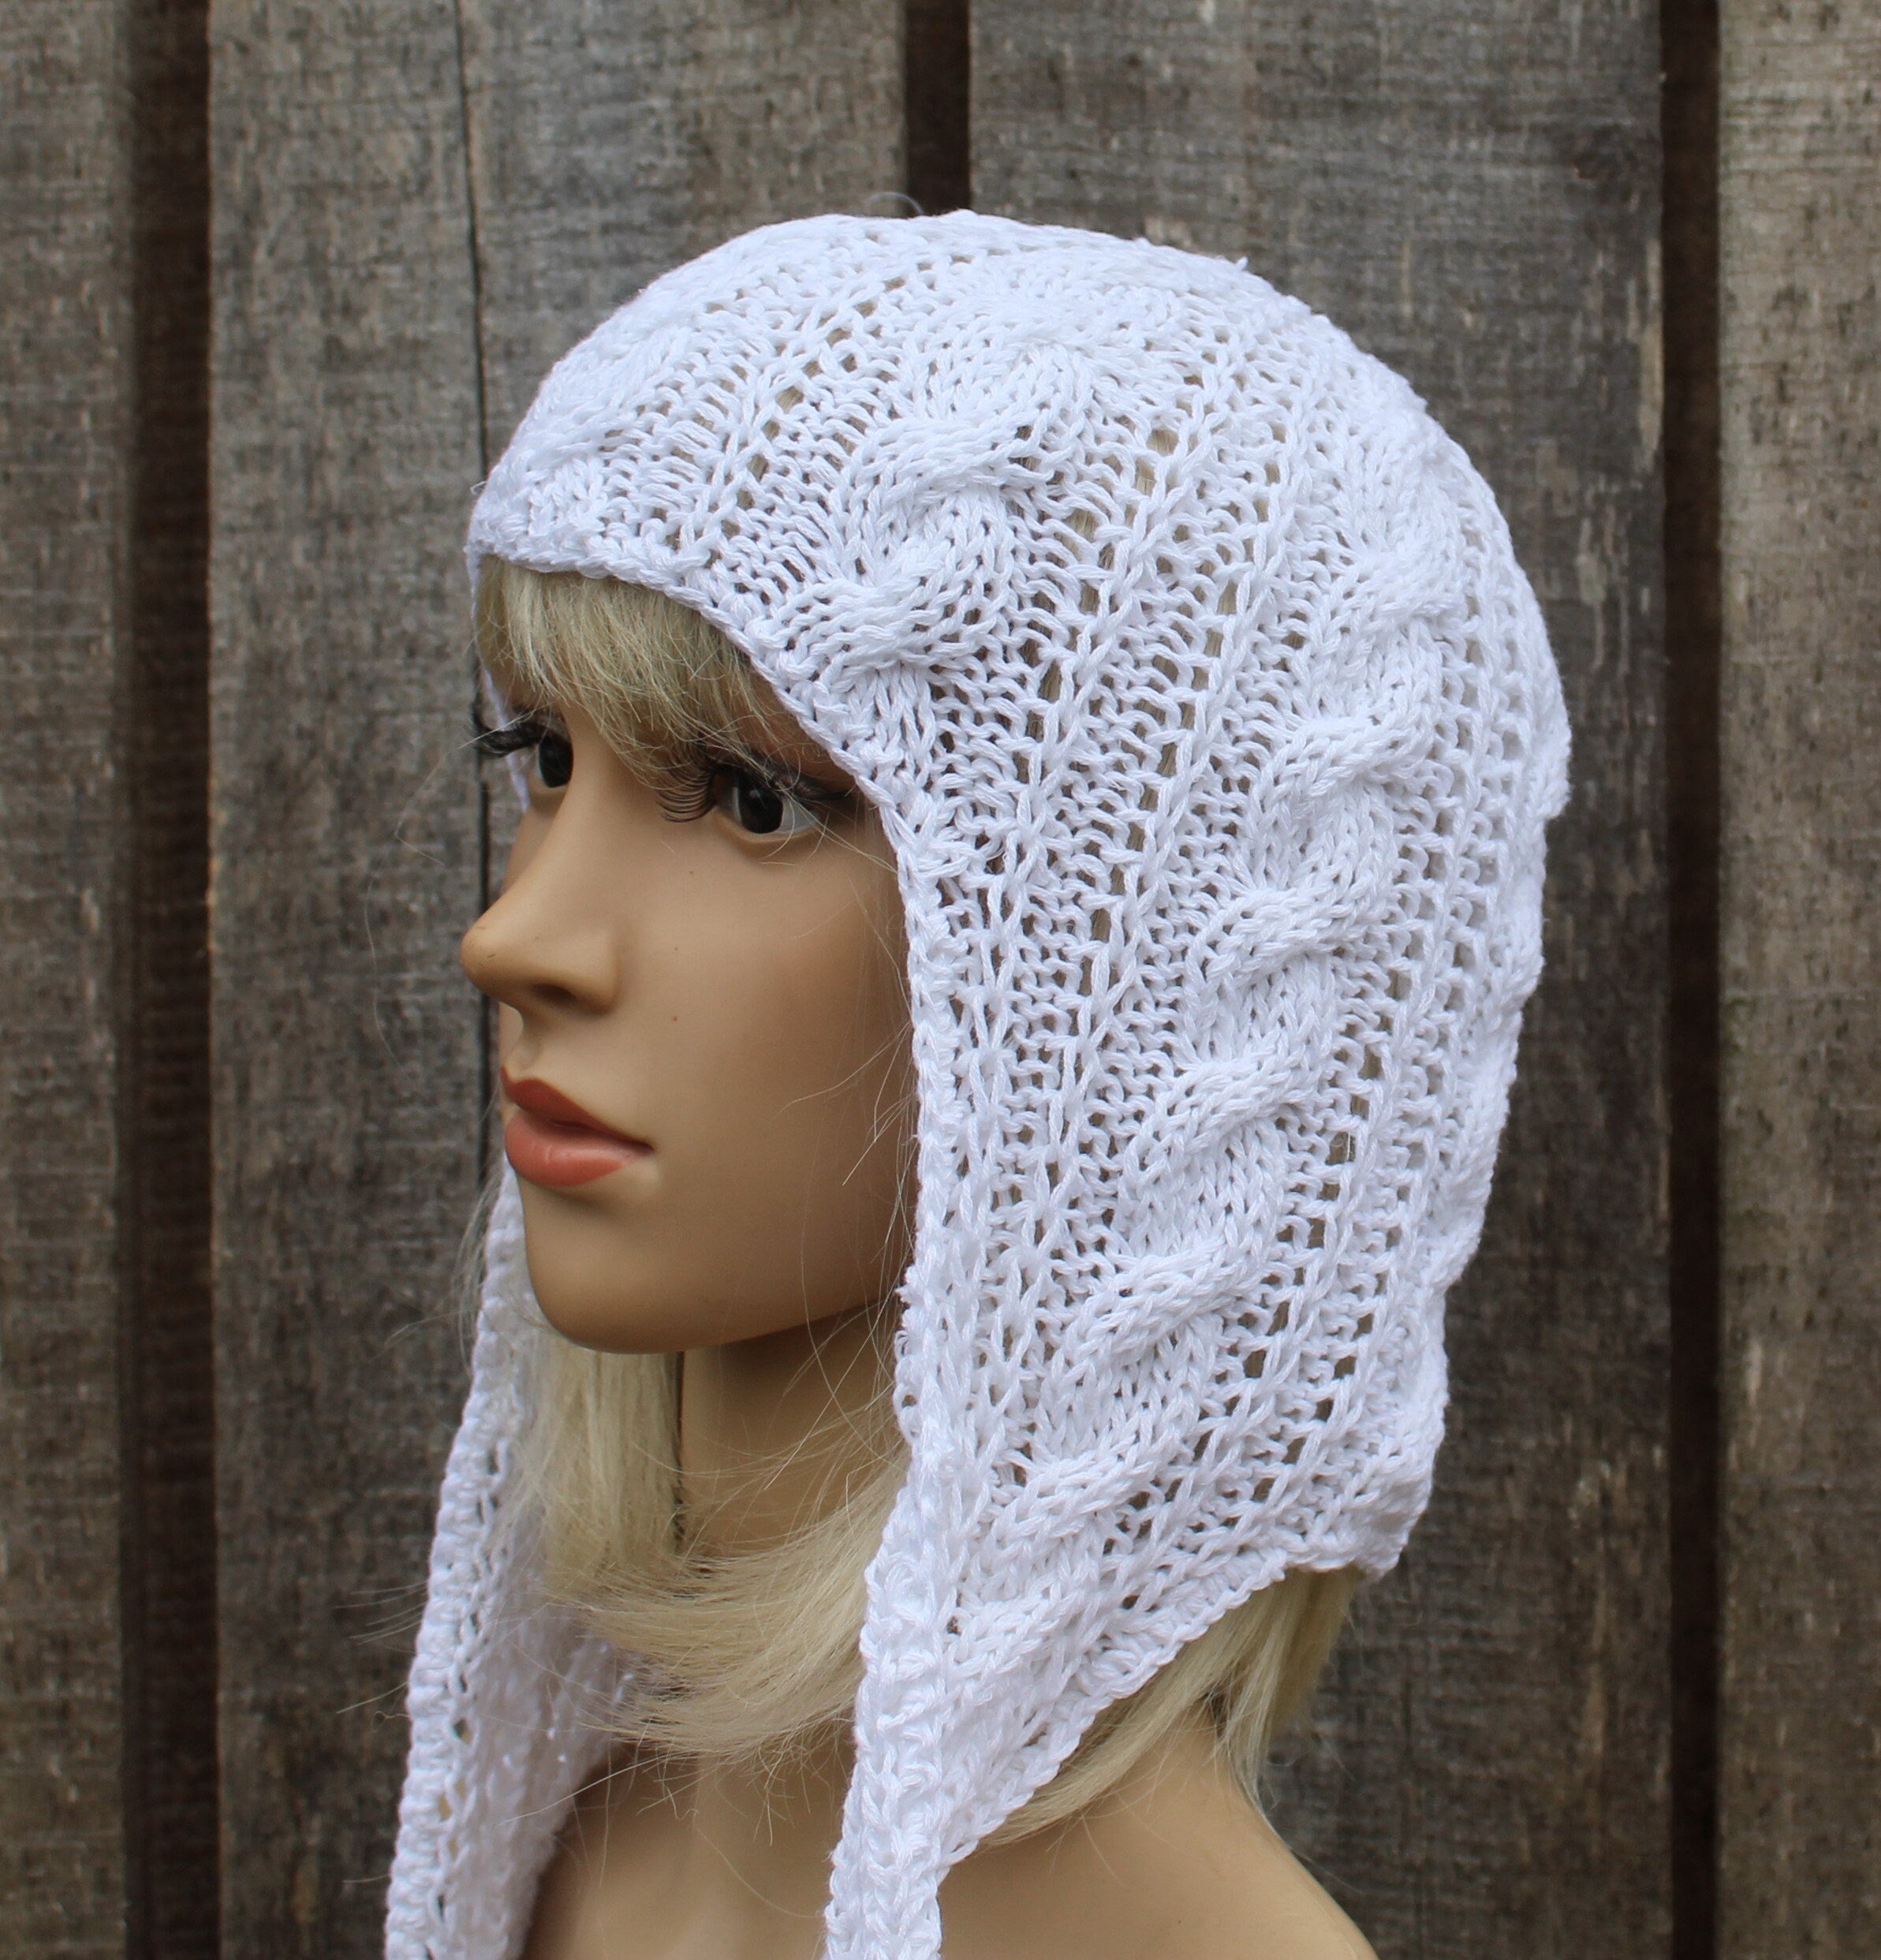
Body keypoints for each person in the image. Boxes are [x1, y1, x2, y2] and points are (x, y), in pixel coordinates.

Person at [384, 211, 1569, 1960]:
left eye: (752, 800)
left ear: (1118, 984)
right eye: (544, 755)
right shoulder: (581, 1847)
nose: (515, 936)